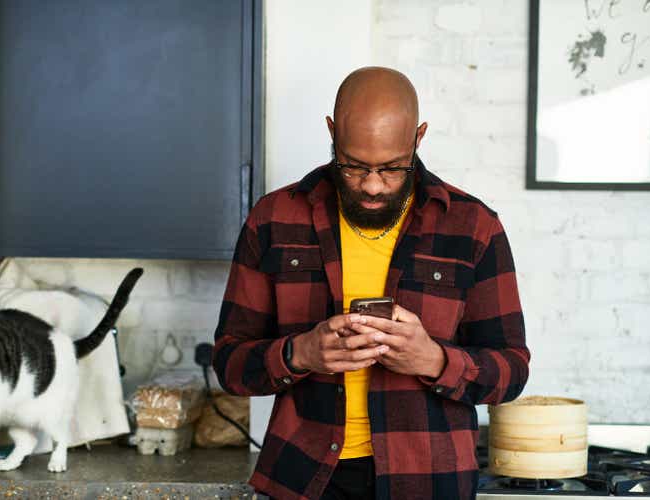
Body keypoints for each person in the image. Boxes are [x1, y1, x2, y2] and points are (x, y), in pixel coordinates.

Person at [212, 66, 530, 500]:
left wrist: (433, 360)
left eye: (393, 168)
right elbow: (230, 363)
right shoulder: (274, 219)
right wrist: (300, 352)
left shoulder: (473, 227)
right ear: (331, 132)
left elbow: (511, 370)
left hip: (429, 482)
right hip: (305, 479)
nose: (374, 186)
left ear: (418, 138)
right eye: (354, 166)